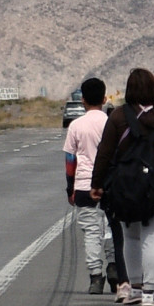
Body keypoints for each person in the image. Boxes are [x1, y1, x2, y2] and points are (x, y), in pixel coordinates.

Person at [91, 68, 154, 306]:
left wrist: (97, 184)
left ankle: (134, 288)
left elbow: (104, 153)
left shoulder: (118, 116)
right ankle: (149, 292)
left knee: (130, 236)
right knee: (153, 236)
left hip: (126, 181)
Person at [63, 78, 117, 294]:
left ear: (82, 100)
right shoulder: (112, 123)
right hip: (109, 185)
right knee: (112, 228)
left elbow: (70, 160)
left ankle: (96, 277)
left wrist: (70, 188)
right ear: (105, 99)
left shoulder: (76, 126)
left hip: (84, 185)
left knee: (91, 233)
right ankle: (114, 267)